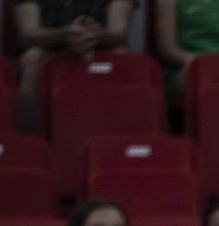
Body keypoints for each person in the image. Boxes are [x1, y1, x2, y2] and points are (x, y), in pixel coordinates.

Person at [13, 0, 135, 133]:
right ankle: (32, 144)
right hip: (48, 45)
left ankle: (121, 140)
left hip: (100, 44)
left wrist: (93, 34)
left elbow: (119, 33)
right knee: (31, 59)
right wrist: (65, 34)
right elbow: (27, 35)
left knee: (121, 55)